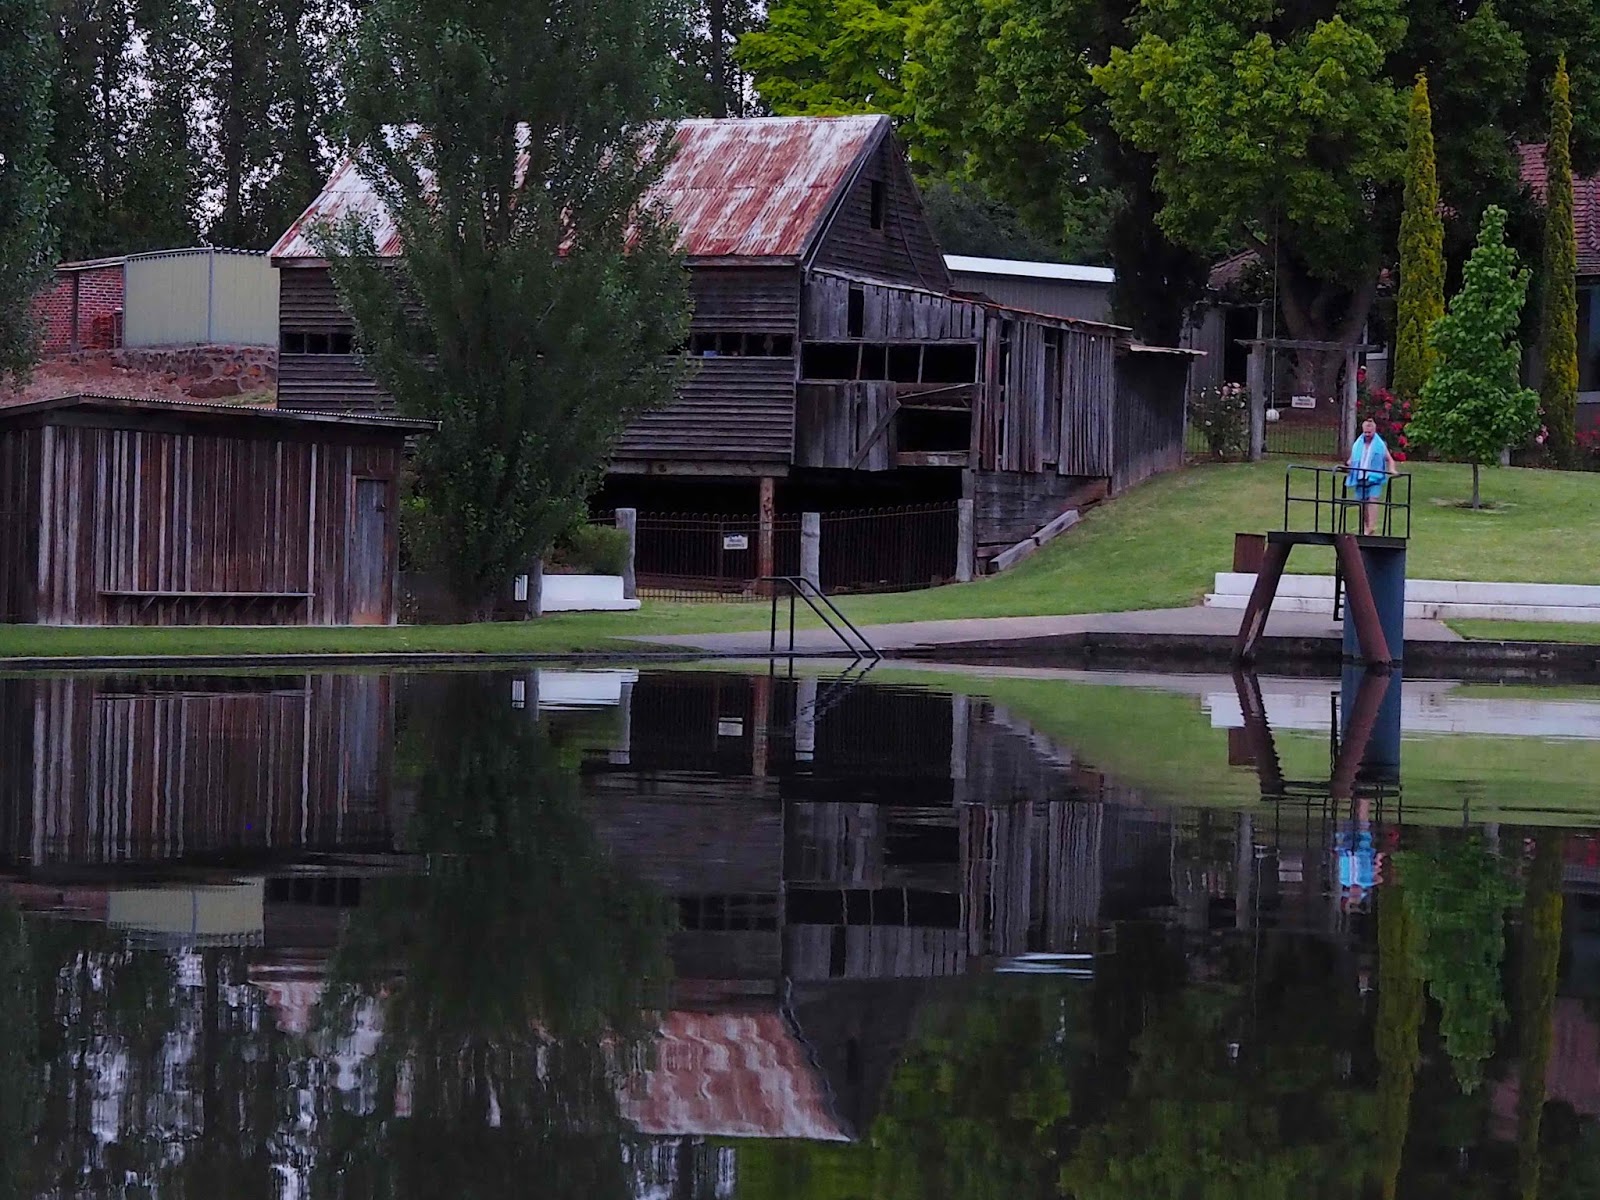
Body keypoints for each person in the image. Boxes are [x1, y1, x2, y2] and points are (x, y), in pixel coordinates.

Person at [1346, 418, 1397, 535]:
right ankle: (1367, 526)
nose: (1367, 435)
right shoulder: (1358, 444)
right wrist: (1348, 465)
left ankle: (1371, 527)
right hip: (1360, 477)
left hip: (1374, 478)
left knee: (1373, 499)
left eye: (1370, 433)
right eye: (1365, 432)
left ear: (1374, 431)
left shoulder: (1380, 445)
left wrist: (1392, 469)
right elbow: (1352, 459)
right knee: (1362, 502)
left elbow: (1390, 460)